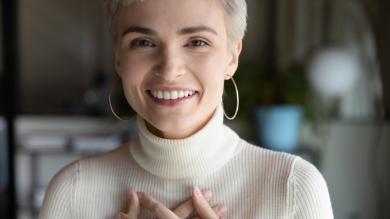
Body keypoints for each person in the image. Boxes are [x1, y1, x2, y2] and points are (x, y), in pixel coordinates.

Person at [39, 0, 334, 218]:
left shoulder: (293, 188)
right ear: (118, 57)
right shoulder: (73, 192)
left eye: (196, 42)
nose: (169, 70)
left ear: (232, 56)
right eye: (143, 42)